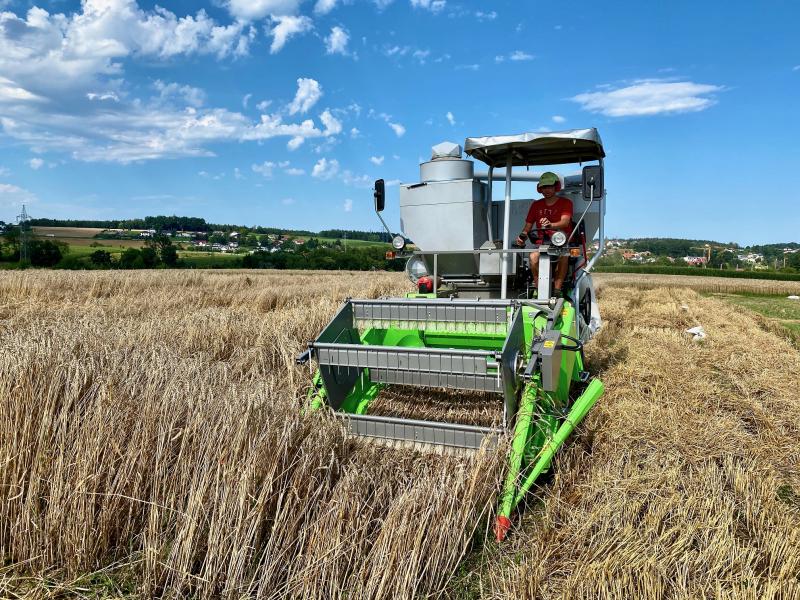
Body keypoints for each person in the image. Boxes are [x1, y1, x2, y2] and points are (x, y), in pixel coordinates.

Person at [515, 171, 573, 294]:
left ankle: (557, 290)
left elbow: (565, 222)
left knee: (564, 256)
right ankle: (540, 291)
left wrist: (550, 225)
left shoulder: (566, 203)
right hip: (542, 244)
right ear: (540, 189)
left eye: (550, 187)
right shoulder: (536, 205)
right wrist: (522, 236)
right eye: (544, 187)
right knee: (533, 257)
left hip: (560, 243)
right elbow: (528, 227)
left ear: (556, 187)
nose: (547, 190)